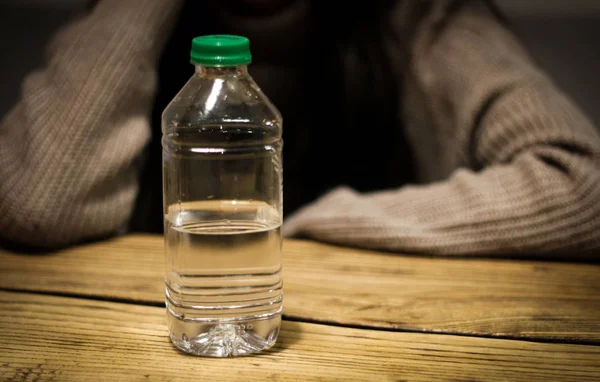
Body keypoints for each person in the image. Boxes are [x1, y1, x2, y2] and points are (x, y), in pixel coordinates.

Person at [1, 0, 599, 260]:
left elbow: (585, 184)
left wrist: (320, 223)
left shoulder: (422, 19)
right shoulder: (125, 22)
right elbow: (32, 203)